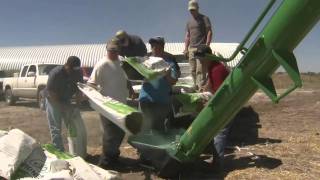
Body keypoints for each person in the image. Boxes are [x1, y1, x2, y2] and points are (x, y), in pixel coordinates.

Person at [87, 38, 129, 168]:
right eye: (111, 50)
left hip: (121, 106)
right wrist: (97, 100)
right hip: (108, 107)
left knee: (120, 132)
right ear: (107, 49)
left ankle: (114, 159)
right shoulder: (102, 64)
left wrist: (131, 89)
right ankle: (105, 163)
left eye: (115, 50)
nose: (113, 53)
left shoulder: (121, 63)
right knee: (110, 135)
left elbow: (126, 79)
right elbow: (91, 83)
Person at [195, 45, 230, 170]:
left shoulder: (217, 69)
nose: (200, 62)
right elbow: (210, 83)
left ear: (208, 57)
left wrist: (206, 104)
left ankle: (218, 165)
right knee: (215, 132)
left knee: (220, 132)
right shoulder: (212, 67)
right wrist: (203, 89)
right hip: (220, 103)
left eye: (201, 59)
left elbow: (220, 93)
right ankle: (216, 158)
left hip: (224, 105)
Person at [139, 37, 180, 132]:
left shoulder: (169, 63)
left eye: (156, 46)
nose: (154, 48)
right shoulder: (145, 61)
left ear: (162, 47)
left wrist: (167, 74)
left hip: (161, 102)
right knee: (144, 128)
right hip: (146, 100)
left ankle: (156, 145)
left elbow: (173, 81)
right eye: (152, 46)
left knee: (158, 129)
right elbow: (137, 75)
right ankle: (143, 147)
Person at [45, 56, 85, 152]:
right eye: (71, 70)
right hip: (53, 100)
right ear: (66, 65)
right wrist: (61, 106)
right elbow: (51, 92)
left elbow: (79, 91)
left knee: (72, 124)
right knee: (56, 127)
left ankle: (76, 150)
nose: (72, 72)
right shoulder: (56, 73)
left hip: (66, 99)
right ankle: (59, 151)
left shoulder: (78, 72)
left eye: (75, 70)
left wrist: (77, 106)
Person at [184, 0, 213, 90]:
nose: (192, 12)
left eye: (193, 10)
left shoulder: (204, 18)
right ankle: (195, 86)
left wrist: (207, 45)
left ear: (197, 9)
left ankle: (201, 89)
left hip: (201, 48)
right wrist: (185, 48)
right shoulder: (189, 22)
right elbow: (187, 36)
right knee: (192, 70)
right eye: (191, 10)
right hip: (191, 48)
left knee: (200, 70)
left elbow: (209, 32)